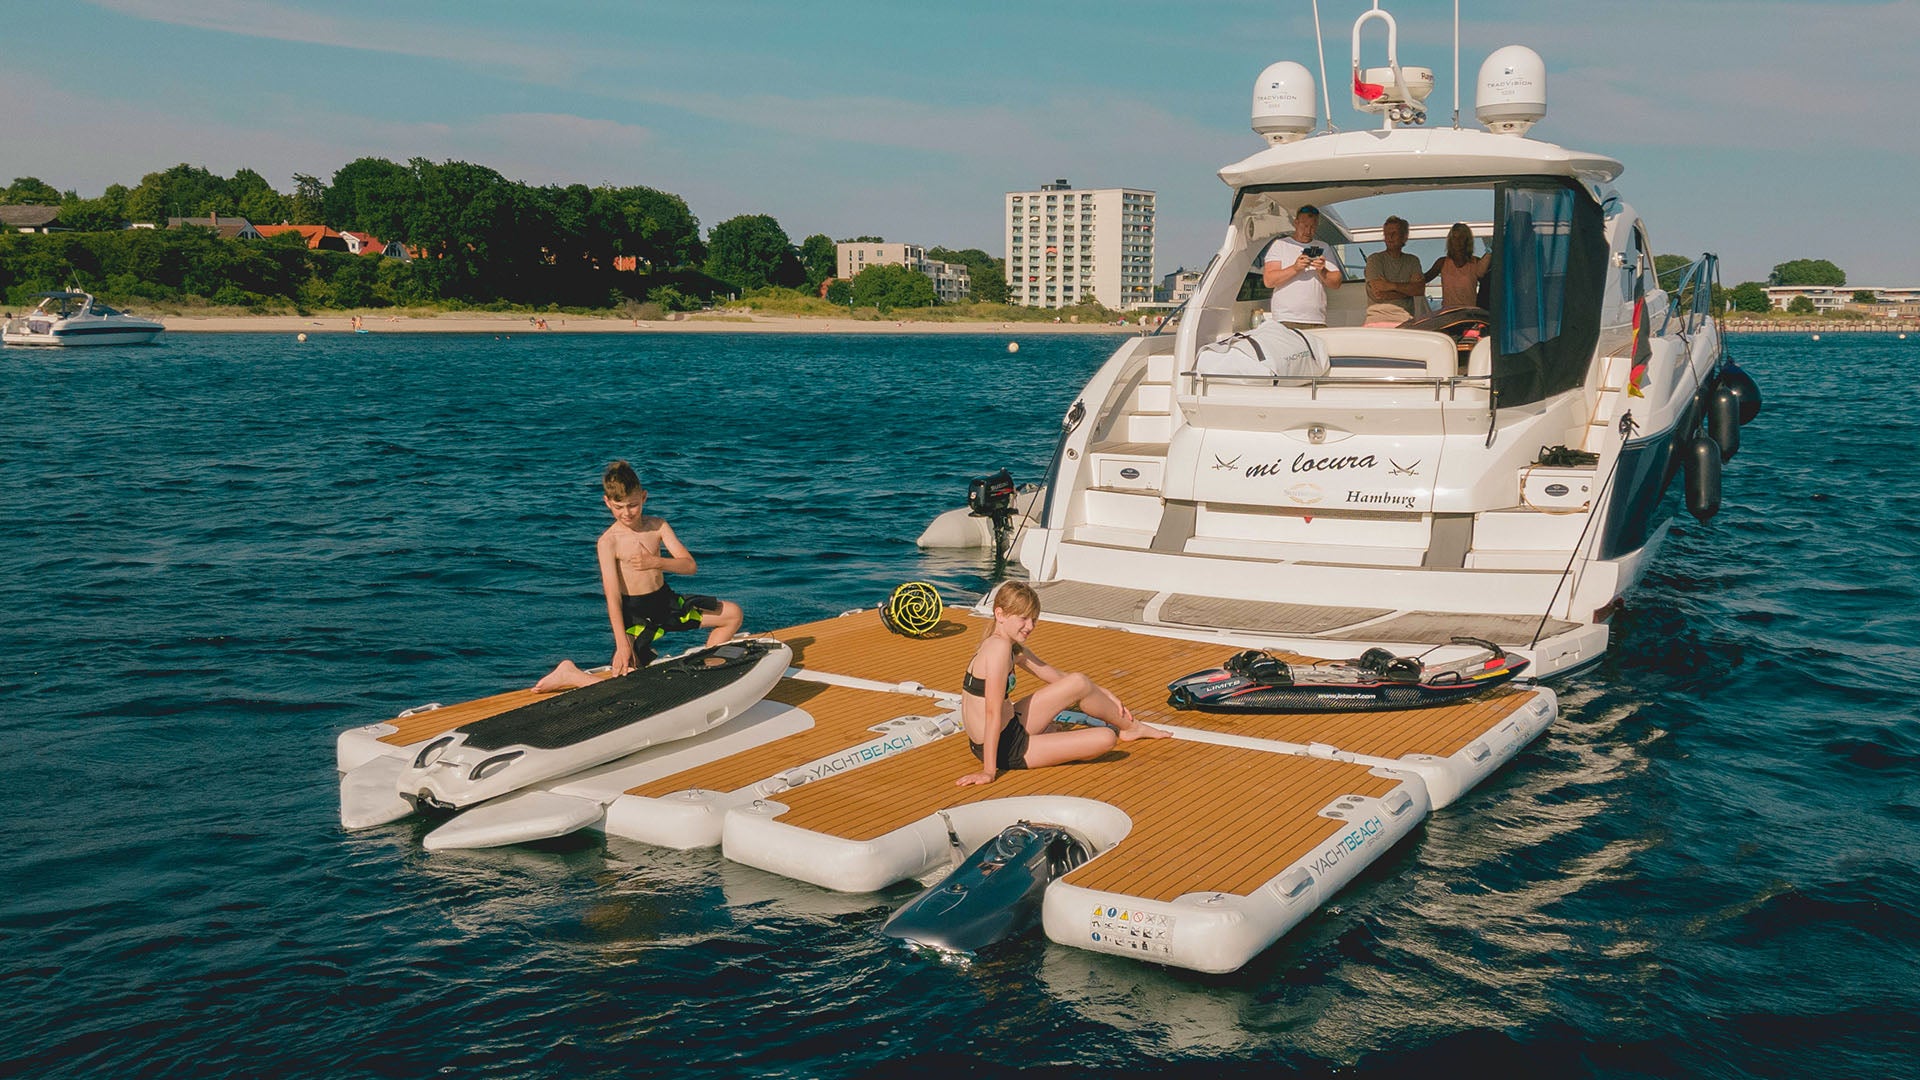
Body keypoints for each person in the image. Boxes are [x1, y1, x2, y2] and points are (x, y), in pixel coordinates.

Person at [533, 461, 744, 691]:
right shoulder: (608, 542)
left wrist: (656, 562)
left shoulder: (658, 526)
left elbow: (690, 566)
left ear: (644, 497)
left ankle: (707, 670)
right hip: (634, 616)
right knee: (630, 683)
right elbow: (613, 596)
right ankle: (572, 675)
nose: (626, 513)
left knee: (733, 614)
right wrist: (622, 643)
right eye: (619, 506)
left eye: (633, 505)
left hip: (665, 603)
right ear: (607, 502)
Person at [956, 582, 1169, 786]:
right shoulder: (998, 650)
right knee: (1105, 738)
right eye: (1023, 618)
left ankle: (1132, 728)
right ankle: (1050, 741)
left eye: (1034, 619)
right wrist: (988, 771)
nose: (1030, 626)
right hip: (1004, 747)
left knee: (1078, 681)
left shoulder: (1011, 647)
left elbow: (1058, 677)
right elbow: (992, 713)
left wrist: (1103, 693)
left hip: (1010, 727)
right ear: (1000, 614)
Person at [1262, 205, 1344, 330]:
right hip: (1286, 319)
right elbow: (1269, 280)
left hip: (1316, 319)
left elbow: (1336, 283)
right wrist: (1295, 268)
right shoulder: (1280, 245)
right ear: (1296, 223)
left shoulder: (1324, 247)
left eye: (1313, 227)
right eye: (1305, 226)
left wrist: (1322, 270)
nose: (1308, 231)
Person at [1363, 215, 1426, 325]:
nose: (1390, 237)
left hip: (1406, 320)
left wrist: (1390, 286)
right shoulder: (1374, 259)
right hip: (1377, 319)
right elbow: (1379, 291)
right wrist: (1407, 290)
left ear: (1404, 237)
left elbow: (1419, 290)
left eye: (1394, 233)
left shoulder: (1412, 260)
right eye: (1387, 234)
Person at [1425, 222, 1492, 310]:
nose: (1458, 241)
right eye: (1454, 238)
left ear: (1467, 240)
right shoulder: (1442, 262)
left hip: (1470, 314)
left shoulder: (1475, 262)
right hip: (1449, 314)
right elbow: (1424, 279)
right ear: (1450, 240)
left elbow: (1487, 286)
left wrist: (1489, 252)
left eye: (1461, 238)